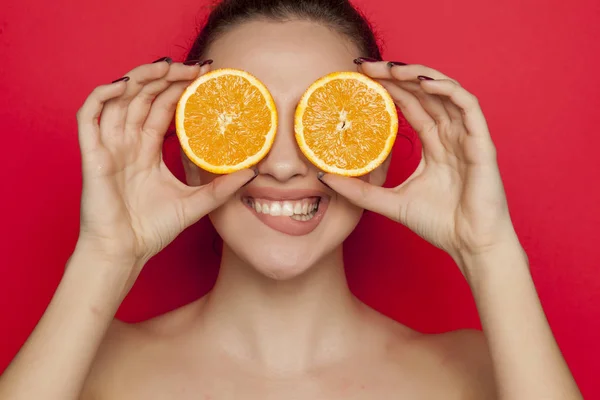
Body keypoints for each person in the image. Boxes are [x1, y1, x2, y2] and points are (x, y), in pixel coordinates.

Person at [0, 0, 583, 398]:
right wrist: (105, 252)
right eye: (240, 123)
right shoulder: (86, 372)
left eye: (326, 120)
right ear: (186, 150)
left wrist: (490, 250)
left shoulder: (484, 373)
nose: (282, 166)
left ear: (376, 149)